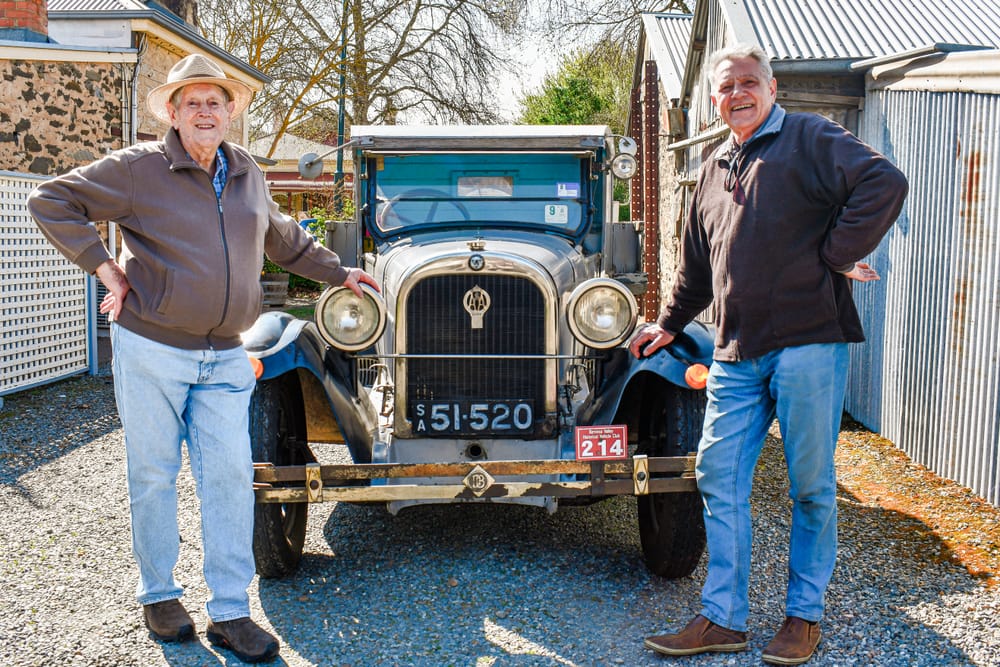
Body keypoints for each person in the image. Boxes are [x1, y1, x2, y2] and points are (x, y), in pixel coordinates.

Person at [28, 53, 380, 664]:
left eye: (216, 101)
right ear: (172, 111)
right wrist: (106, 268)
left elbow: (282, 238)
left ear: (232, 111)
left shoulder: (247, 172)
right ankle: (160, 595)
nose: (205, 111)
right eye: (192, 102)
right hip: (152, 348)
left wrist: (338, 271)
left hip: (224, 356)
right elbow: (52, 200)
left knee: (228, 480)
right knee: (153, 475)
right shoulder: (139, 169)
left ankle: (229, 612)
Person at [629, 43, 907, 665]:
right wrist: (668, 324)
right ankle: (723, 617)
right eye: (726, 87)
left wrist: (836, 253)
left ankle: (803, 617)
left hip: (809, 344)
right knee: (717, 475)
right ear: (713, 99)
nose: (738, 94)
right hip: (733, 352)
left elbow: (884, 182)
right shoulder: (711, 167)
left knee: (811, 488)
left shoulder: (810, 138)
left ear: (772, 88)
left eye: (749, 83)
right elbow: (697, 266)